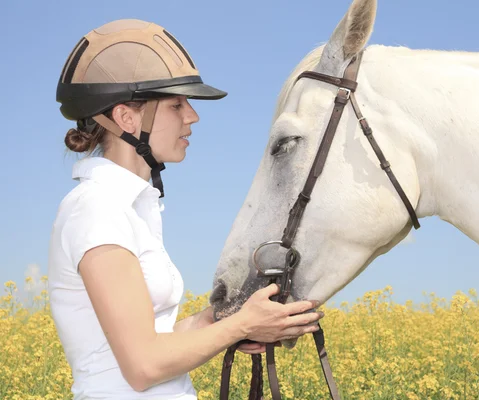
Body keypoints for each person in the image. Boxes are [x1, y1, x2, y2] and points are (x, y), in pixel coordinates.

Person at [48, 19, 323, 399]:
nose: (191, 116)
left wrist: (219, 321)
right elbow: (143, 366)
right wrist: (241, 324)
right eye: (176, 104)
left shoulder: (127, 208)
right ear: (127, 118)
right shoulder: (96, 210)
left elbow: (155, 340)